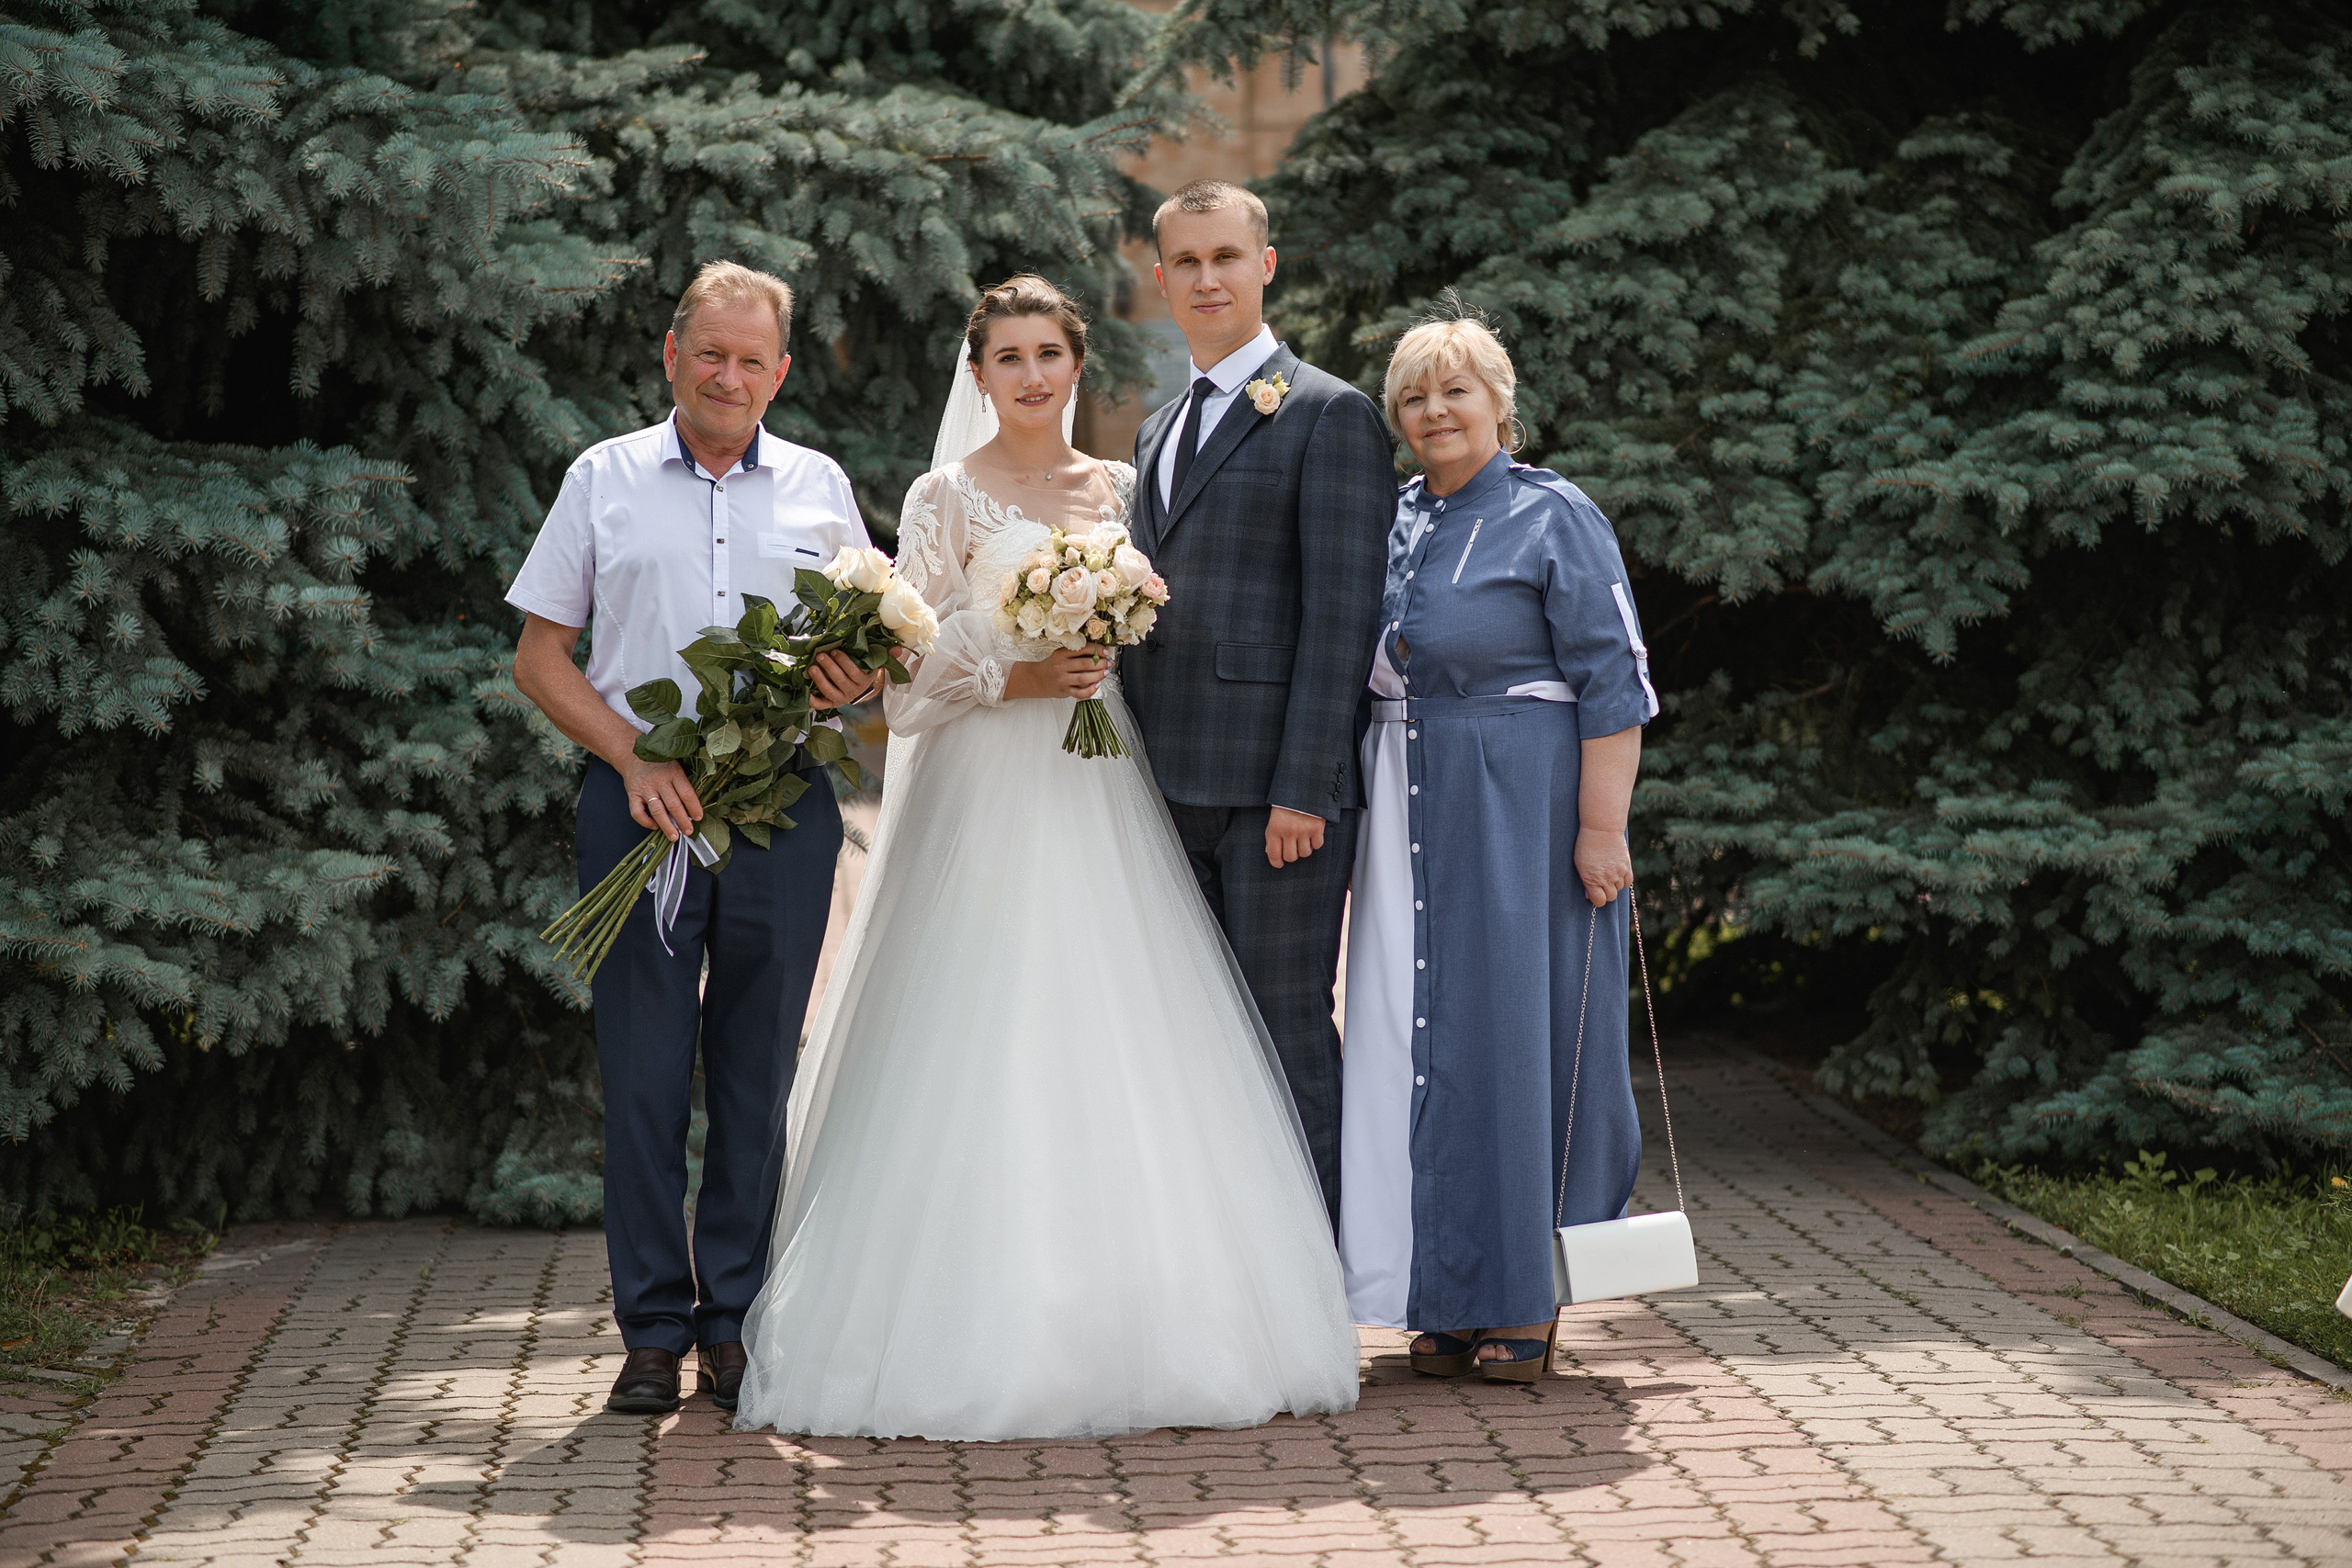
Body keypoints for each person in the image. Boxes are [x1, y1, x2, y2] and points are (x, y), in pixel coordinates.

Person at [730, 276, 1360, 1441]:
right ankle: (965, 1318)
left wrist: (1100, 643)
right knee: (984, 1023)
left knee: (1119, 1025)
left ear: (1077, 366)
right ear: (977, 375)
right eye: (1007, 357)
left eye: (1049, 354)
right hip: (984, 787)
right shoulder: (943, 497)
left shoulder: (1121, 488)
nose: (1030, 375)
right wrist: (1015, 669)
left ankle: (1139, 1308)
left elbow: (1162, 635)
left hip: (1104, 778)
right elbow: (904, 683)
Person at [507, 261, 884, 1416]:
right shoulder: (603, 478)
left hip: (782, 810)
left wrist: (849, 679)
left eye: (751, 359)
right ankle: (651, 1333)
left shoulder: (819, 485)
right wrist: (634, 756)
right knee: (645, 1082)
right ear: (672, 354)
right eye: (707, 353)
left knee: (758, 1077)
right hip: (638, 813)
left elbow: (868, 663)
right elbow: (538, 657)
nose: (729, 376)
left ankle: (734, 1322)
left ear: (778, 370)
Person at [1338, 314, 1657, 1382]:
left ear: (1499, 404)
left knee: (1521, 1037)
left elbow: (1616, 684)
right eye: (1415, 398)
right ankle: (1447, 1290)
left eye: (1455, 392)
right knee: (1428, 1038)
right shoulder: (1395, 520)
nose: (1435, 413)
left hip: (1522, 803)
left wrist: (1601, 830)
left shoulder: (1551, 515)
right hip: (1413, 795)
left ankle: (1524, 1296)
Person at [1119, 181, 1394, 1225]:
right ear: (1160, 279)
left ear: (1265, 265)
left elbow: (1340, 621)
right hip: (1162, 785)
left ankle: (1316, 1280)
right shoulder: (1155, 429)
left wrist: (1306, 791)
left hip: (1272, 800)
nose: (1206, 279)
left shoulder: (1328, 412)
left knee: (1283, 1031)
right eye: (1185, 262)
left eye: (1225, 257)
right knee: (1189, 1039)